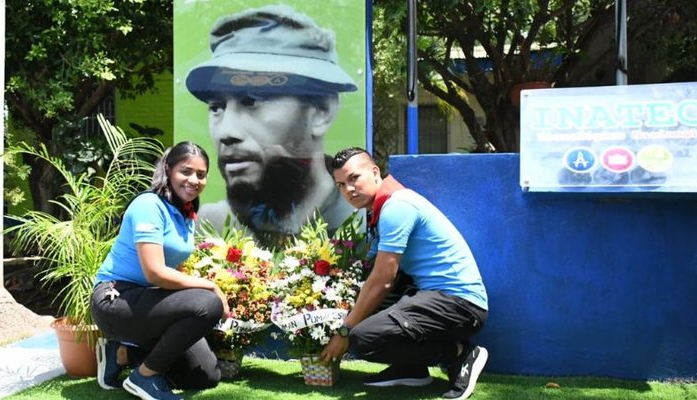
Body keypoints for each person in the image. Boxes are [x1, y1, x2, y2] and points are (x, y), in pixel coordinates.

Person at [184, 4, 360, 248]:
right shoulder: (210, 225)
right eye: (217, 107)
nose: (226, 132)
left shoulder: (359, 221)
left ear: (321, 111)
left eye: (251, 101)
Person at [321, 147, 489, 400]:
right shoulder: (383, 209)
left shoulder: (397, 207)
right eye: (341, 185)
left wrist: (344, 331)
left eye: (354, 178)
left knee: (363, 337)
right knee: (365, 320)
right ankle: (413, 369)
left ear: (375, 172)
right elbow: (369, 270)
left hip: (460, 305)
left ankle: (460, 355)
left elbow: (383, 281)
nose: (348, 190)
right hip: (433, 298)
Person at [90, 142, 230, 400]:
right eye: (185, 171)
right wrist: (209, 285)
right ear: (168, 169)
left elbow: (169, 269)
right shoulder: (149, 205)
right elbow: (155, 272)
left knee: (205, 375)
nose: (194, 180)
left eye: (201, 174)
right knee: (207, 303)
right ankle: (145, 377)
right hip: (116, 299)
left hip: (147, 302)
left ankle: (122, 354)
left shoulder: (185, 213)